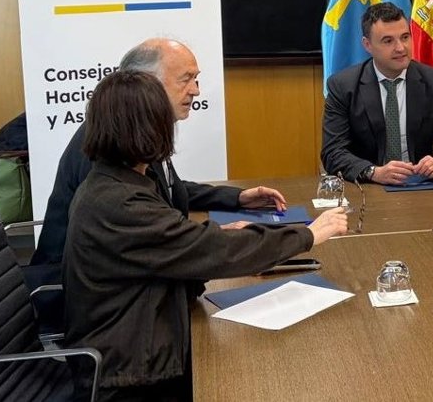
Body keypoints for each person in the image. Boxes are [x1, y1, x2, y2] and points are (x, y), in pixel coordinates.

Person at [63, 70, 348, 402]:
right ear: (147, 128)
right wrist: (307, 235)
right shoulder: (120, 202)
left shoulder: (118, 182)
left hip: (137, 343)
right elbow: (214, 251)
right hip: (130, 377)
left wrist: (199, 237)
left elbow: (172, 242)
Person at [33, 38, 286, 265]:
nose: (196, 90)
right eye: (185, 79)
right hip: (77, 289)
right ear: (146, 83)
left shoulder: (138, 129)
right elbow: (137, 223)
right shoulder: (110, 143)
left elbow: (166, 187)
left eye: (196, 79)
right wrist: (214, 240)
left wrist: (237, 198)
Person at [321, 2, 433, 184]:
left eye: (405, 37)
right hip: (369, 188)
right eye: (388, 41)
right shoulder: (343, 86)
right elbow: (333, 152)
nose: (400, 48)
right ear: (367, 45)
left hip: (421, 185)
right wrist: (374, 172)